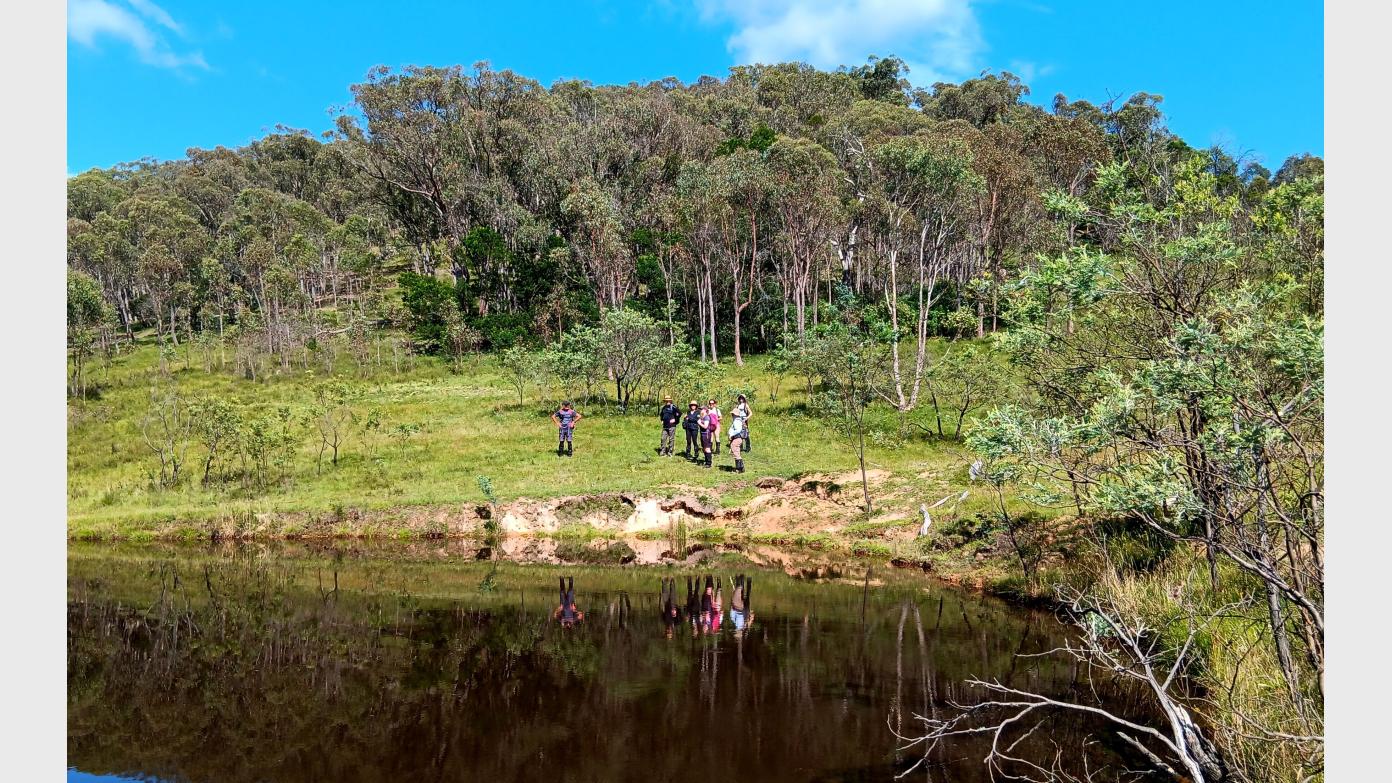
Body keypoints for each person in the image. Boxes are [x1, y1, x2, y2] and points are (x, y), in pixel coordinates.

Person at [728, 393, 752, 474]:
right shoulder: (736, 418)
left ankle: (740, 468)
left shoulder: (745, 406)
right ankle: (740, 468)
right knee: (736, 451)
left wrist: (731, 434)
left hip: (738, 435)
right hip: (738, 435)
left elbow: (737, 430)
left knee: (735, 451)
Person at [697, 403, 714, 469]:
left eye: (701, 409)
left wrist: (699, 423)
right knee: (704, 448)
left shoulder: (706, 417)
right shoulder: (703, 417)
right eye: (700, 409)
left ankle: (709, 463)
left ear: (705, 410)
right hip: (703, 434)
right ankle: (706, 461)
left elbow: (705, 426)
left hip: (706, 434)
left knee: (707, 448)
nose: (700, 410)